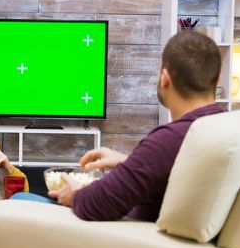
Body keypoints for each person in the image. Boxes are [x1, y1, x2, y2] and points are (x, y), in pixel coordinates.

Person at [16, 30, 226, 222]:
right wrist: (130, 162)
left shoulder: (168, 140)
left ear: (164, 79)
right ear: (216, 79)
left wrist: (74, 194)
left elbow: (96, 204)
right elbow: (179, 170)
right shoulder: (226, 126)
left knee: (20, 199)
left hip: (126, 242)